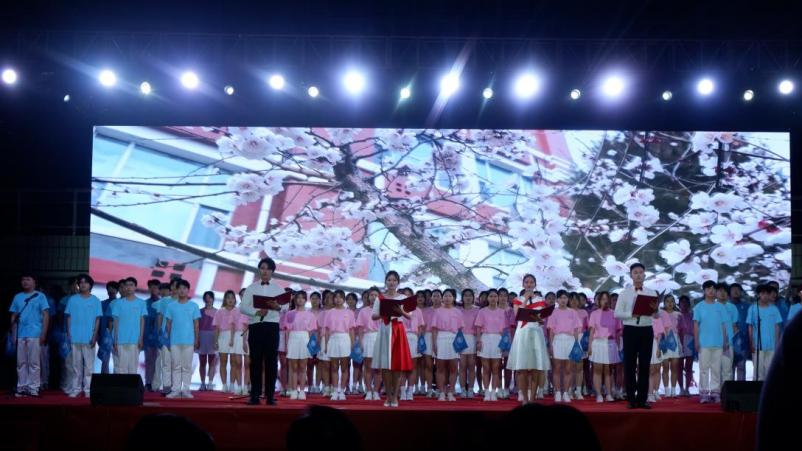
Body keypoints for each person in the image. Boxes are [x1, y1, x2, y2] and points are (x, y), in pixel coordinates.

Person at [240, 257, 287, 405]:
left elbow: (285, 307)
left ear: (272, 271)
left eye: (267, 268)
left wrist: (278, 307)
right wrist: (256, 312)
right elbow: (243, 307)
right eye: (262, 268)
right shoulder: (251, 288)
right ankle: (254, 395)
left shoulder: (278, 288)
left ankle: (270, 396)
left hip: (272, 326)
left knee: (271, 362)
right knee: (255, 361)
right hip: (256, 326)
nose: (264, 271)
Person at [614, 263, 658, 409]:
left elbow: (656, 315)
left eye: (641, 272)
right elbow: (617, 313)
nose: (638, 275)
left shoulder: (651, 292)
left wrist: (655, 310)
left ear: (644, 275)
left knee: (645, 365)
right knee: (630, 365)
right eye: (635, 272)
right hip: (630, 330)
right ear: (631, 275)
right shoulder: (624, 293)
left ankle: (643, 399)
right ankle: (631, 399)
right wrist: (631, 314)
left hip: (646, 330)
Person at [507, 274, 551, 405]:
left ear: (535, 284)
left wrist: (539, 319)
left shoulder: (541, 300)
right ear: (523, 284)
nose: (529, 284)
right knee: (522, 368)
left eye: (532, 282)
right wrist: (526, 299)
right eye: (527, 282)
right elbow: (518, 315)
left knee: (536, 368)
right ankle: (525, 399)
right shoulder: (517, 299)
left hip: (536, 333)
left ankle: (533, 398)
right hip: (523, 333)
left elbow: (542, 319)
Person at [372, 271, 413, 407]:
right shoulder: (380, 298)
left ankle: (395, 396)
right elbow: (373, 316)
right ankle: (388, 396)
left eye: (394, 280)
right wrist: (384, 312)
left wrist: (400, 312)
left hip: (398, 330)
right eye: (389, 280)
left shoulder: (403, 297)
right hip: (385, 329)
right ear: (386, 282)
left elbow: (410, 316)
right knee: (385, 365)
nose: (391, 282)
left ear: (398, 282)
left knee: (397, 365)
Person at [9, 274, 50, 396]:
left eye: (28, 279)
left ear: (34, 282)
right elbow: (14, 315)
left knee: (34, 362)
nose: (25, 282)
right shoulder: (17, 297)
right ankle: (22, 387)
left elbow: (46, 315)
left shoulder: (40, 296)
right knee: (21, 362)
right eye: (23, 279)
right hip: (20, 333)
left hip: (35, 333)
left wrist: (43, 333)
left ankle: (33, 388)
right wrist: (13, 334)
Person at [64, 274, 102, 398]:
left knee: (89, 366)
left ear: (90, 285)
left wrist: (95, 335)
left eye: (86, 282)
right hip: (75, 337)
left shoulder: (95, 300)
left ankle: (88, 390)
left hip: (89, 337)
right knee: (75, 365)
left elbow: (97, 319)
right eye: (81, 282)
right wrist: (69, 333)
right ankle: (76, 388)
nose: (83, 284)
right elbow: (69, 317)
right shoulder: (72, 299)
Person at [693, 280, 729, 403]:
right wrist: (696, 341)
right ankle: (703, 393)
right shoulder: (699, 307)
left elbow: (724, 325)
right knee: (703, 369)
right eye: (708, 288)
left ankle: (715, 392)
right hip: (704, 343)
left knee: (716, 369)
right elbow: (696, 325)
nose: (711, 291)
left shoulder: (721, 307)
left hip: (718, 343)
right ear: (704, 291)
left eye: (713, 289)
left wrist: (725, 340)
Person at [165, 279, 200, 399]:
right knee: (175, 366)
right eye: (180, 288)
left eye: (184, 288)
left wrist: (196, 339)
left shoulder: (194, 306)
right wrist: (168, 338)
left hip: (189, 341)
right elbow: (168, 324)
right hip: (174, 341)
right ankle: (175, 390)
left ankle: (186, 390)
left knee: (187, 367)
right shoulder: (171, 306)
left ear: (188, 290)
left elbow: (196, 324)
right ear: (176, 290)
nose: (182, 290)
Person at [547, 290, 581, 403]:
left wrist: (576, 344)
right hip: (557, 340)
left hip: (570, 340)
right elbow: (551, 330)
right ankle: (557, 392)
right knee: (556, 368)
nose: (563, 300)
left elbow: (576, 329)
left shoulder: (573, 312)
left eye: (565, 298)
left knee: (568, 368)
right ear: (557, 300)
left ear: (568, 299)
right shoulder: (553, 312)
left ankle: (566, 392)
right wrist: (551, 345)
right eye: (561, 298)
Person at [431, 288, 463, 402]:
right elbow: (434, 329)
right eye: (445, 296)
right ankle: (441, 392)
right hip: (441, 338)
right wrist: (434, 344)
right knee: (440, 368)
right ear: (442, 298)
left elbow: (460, 330)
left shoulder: (458, 312)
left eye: (450, 296)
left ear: (453, 298)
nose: (447, 298)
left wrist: (460, 345)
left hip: (454, 339)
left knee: (453, 367)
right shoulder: (438, 311)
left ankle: (451, 392)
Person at [322, 290, 355, 401]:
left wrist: (352, 344)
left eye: (340, 297)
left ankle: (342, 391)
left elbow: (351, 330)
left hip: (345, 339)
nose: (338, 299)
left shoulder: (349, 312)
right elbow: (327, 330)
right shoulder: (329, 312)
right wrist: (326, 344)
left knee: (344, 367)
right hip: (333, 339)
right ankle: (335, 391)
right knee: (334, 367)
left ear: (344, 299)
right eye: (336, 297)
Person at [588, 291, 620, 403]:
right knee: (597, 369)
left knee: (608, 370)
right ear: (598, 301)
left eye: (607, 299)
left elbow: (618, 331)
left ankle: (609, 393)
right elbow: (591, 331)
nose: (605, 301)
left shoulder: (614, 314)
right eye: (603, 299)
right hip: (598, 343)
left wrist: (618, 346)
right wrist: (590, 346)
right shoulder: (594, 314)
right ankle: (598, 394)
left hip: (611, 343)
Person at [475, 288, 505, 401]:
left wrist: (503, 344)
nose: (493, 298)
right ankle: (487, 392)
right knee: (486, 367)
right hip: (485, 338)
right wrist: (478, 341)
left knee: (496, 368)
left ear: (498, 298)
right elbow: (478, 327)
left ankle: (494, 392)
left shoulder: (502, 312)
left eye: (495, 296)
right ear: (487, 298)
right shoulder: (482, 311)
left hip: (498, 339)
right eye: (491, 296)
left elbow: (504, 330)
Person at [747, 284, 782, 381]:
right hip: (757, 345)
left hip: (771, 346)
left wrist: (777, 343)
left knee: (770, 372)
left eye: (767, 293)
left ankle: (768, 390)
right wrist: (751, 342)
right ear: (758, 295)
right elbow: (750, 326)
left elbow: (777, 326)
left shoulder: (774, 309)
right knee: (758, 372)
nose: (765, 295)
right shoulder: (753, 308)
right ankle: (757, 390)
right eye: (763, 293)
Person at [112, 277, 147, 375]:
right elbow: (116, 322)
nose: (128, 287)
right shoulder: (118, 303)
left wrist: (141, 338)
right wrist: (115, 340)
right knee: (121, 368)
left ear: (135, 287)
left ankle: (131, 386)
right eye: (126, 285)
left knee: (133, 368)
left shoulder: (141, 303)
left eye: (131, 285)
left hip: (135, 340)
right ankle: (122, 385)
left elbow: (142, 321)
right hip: (121, 340)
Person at [286, 291, 317, 400]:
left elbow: (311, 332)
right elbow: (287, 331)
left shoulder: (310, 315)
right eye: (298, 297)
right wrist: (287, 345)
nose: (300, 300)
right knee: (294, 367)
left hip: (305, 338)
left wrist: (311, 346)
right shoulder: (290, 314)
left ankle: (302, 391)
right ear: (295, 300)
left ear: (305, 300)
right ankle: (294, 390)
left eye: (302, 298)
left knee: (303, 367)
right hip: (293, 338)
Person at [214, 290, 246, 394]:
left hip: (235, 337)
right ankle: (224, 385)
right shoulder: (219, 311)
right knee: (223, 362)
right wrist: (216, 341)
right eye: (228, 298)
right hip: (223, 337)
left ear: (235, 299)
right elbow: (217, 328)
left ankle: (232, 385)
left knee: (234, 362)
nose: (230, 300)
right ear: (225, 299)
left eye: (232, 298)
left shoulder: (238, 310)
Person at [400, 290, 424, 401]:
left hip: (413, 338)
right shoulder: (397, 309)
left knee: (412, 367)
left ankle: (410, 391)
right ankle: (402, 391)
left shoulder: (417, 310)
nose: (406, 297)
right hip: (400, 338)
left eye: (409, 295)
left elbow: (420, 327)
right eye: (404, 295)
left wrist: (419, 342)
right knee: (401, 367)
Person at [357, 288, 381, 400]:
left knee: (378, 368)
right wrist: (361, 343)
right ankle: (368, 391)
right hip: (368, 337)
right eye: (371, 295)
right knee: (367, 367)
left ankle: (376, 391)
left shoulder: (383, 310)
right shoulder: (363, 311)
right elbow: (360, 329)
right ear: (368, 297)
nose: (373, 297)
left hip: (380, 338)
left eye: (376, 295)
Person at [715, 283, 738, 384]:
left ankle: (726, 391)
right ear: (715, 293)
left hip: (728, 344)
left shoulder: (732, 308)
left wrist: (729, 339)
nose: (722, 293)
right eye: (720, 291)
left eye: (725, 291)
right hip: (714, 344)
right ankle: (716, 391)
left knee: (727, 370)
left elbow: (734, 326)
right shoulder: (711, 307)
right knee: (716, 370)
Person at [458, 288, 479, 399]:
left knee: (471, 366)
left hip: (472, 338)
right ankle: (462, 389)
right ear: (462, 297)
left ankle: (470, 389)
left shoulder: (478, 310)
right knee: (462, 366)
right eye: (465, 295)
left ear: (473, 297)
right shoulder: (457, 310)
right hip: (460, 339)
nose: (468, 297)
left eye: (470, 295)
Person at [659, 294, 681, 397]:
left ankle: (673, 390)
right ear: (664, 303)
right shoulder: (660, 314)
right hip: (664, 341)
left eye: (672, 301)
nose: (670, 303)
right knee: (665, 367)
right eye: (667, 301)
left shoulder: (678, 314)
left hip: (675, 341)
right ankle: (666, 390)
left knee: (674, 367)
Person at [728, 283, 751, 381]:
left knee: (741, 366)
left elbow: (750, 324)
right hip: (728, 341)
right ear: (729, 292)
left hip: (743, 342)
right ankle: (729, 388)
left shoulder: (747, 306)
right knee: (729, 367)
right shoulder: (725, 306)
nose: (736, 291)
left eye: (738, 289)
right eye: (733, 289)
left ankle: (741, 388)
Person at [421, 289, 441, 397]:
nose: (436, 298)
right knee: (428, 365)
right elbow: (421, 326)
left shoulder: (444, 310)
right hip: (428, 336)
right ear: (431, 298)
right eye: (434, 296)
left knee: (439, 365)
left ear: (441, 297)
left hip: (441, 337)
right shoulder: (425, 311)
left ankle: (439, 389)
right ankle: (429, 388)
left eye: (438, 296)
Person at [197, 291, 218, 391]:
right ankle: (202, 383)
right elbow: (196, 326)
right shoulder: (199, 311)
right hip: (202, 336)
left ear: (213, 299)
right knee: (202, 362)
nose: (207, 299)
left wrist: (217, 340)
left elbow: (218, 328)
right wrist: (197, 339)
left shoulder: (218, 312)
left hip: (213, 337)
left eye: (210, 297)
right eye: (206, 297)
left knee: (212, 362)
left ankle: (210, 383)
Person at [143, 279, 161, 392]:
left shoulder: (163, 303)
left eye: (156, 287)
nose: (154, 289)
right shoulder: (144, 303)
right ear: (149, 288)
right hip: (147, 336)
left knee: (159, 361)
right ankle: (148, 382)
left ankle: (157, 383)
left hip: (161, 337)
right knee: (149, 360)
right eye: (152, 287)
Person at [98, 281, 118, 374]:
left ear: (117, 291)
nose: (111, 290)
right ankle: (104, 379)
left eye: (113, 288)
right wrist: (98, 334)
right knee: (105, 360)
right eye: (109, 288)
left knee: (117, 360)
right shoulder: (101, 304)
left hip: (117, 337)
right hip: (104, 336)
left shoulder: (120, 303)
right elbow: (98, 320)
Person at [676, 295, 694, 396]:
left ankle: (687, 389)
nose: (684, 304)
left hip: (690, 340)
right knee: (679, 366)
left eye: (686, 302)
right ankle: (681, 389)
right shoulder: (677, 315)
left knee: (689, 366)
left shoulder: (692, 315)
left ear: (689, 304)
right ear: (679, 304)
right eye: (682, 302)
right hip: (679, 340)